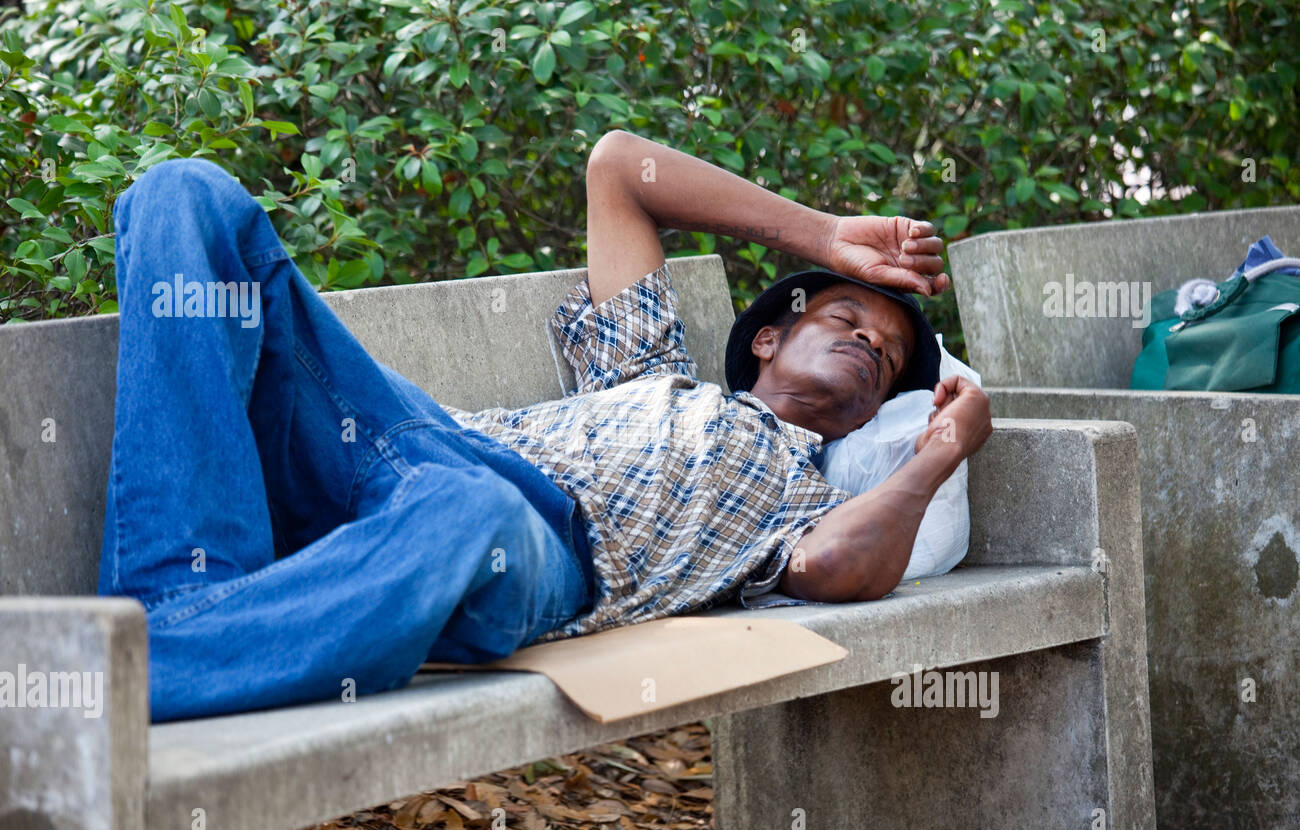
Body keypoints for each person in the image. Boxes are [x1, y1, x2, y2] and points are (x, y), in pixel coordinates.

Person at [99, 129, 991, 722]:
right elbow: (619, 168)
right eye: (847, 320)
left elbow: (837, 570)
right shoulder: (646, 367)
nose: (870, 343)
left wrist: (945, 446)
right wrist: (826, 236)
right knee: (189, 197)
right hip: (406, 439)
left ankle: (126, 669)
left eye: (885, 358)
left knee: (463, 512)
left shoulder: (805, 500)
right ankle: (173, 611)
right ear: (768, 336)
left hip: (537, 546)